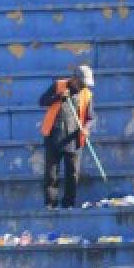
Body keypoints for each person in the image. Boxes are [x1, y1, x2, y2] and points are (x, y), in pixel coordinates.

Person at [39, 64, 96, 209]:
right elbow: (42, 101)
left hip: (74, 139)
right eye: (82, 83)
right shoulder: (59, 85)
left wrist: (86, 128)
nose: (83, 86)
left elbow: (90, 117)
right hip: (54, 136)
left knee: (73, 175)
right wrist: (58, 97)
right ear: (75, 79)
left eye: (86, 84)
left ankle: (69, 204)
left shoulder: (87, 94)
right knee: (51, 175)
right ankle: (51, 204)